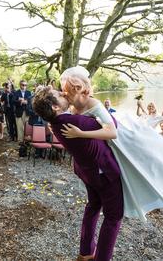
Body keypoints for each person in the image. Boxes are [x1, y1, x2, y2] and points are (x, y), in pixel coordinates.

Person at [60, 66, 163, 221]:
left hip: (117, 138)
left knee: (138, 166)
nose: (64, 93)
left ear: (77, 89)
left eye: (66, 90)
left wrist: (81, 134)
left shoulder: (93, 104)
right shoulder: (71, 106)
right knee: (95, 201)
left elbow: (112, 132)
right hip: (97, 150)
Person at [33, 86, 124, 261]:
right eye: (58, 95)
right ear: (55, 107)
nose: (63, 93)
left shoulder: (55, 123)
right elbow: (112, 126)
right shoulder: (78, 123)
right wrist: (92, 102)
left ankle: (85, 252)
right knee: (113, 216)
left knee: (93, 206)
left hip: (87, 172)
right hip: (103, 173)